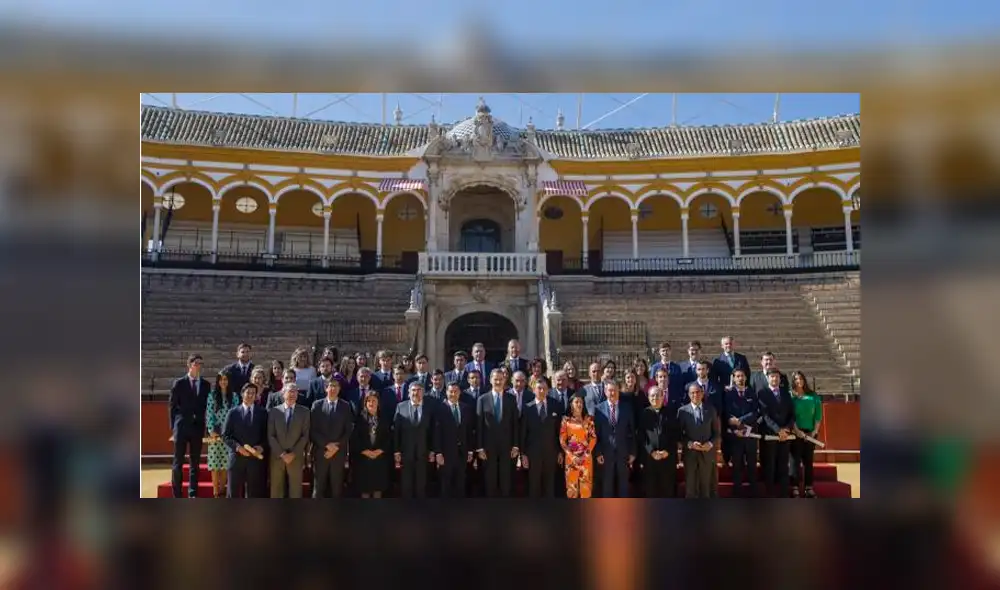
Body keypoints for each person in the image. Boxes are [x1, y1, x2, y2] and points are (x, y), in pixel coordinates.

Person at [169, 354, 210, 499]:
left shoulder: (206, 385)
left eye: (201, 363)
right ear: (189, 365)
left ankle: (192, 493)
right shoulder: (179, 383)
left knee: (195, 463)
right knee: (178, 462)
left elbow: (207, 407)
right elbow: (172, 407)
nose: (199, 366)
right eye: (196, 363)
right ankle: (177, 494)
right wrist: (173, 427)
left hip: (197, 428)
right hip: (181, 427)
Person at [476, 368, 520, 497]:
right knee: (490, 481)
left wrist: (516, 446)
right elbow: (479, 425)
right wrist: (479, 448)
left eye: (501, 379)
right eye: (495, 379)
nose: (498, 382)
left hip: (507, 447)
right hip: (488, 448)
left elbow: (515, 424)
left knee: (506, 481)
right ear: (490, 380)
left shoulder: (511, 399)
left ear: (505, 380)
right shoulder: (482, 399)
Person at [520, 378, 564, 498]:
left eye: (544, 388)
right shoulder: (527, 408)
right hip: (533, 454)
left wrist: (560, 451)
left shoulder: (555, 405)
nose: (541, 390)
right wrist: (523, 454)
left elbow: (559, 431)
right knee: (534, 487)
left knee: (549, 487)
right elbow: (523, 432)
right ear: (533, 390)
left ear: (548, 390)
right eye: (539, 388)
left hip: (551, 453)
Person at [309, 379, 354, 498]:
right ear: (326, 388)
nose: (333, 389)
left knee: (337, 488)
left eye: (336, 386)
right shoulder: (317, 405)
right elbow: (313, 429)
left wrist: (336, 447)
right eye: (330, 386)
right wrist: (326, 445)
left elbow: (348, 430)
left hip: (338, 454)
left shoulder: (345, 406)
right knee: (318, 487)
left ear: (339, 389)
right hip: (321, 452)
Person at [222, 383, 268, 498]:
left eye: (253, 393)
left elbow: (267, 435)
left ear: (256, 396)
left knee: (254, 492)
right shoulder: (233, 413)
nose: (250, 395)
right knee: (234, 492)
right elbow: (226, 436)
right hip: (237, 458)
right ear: (242, 394)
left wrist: (262, 447)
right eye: (248, 392)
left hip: (255, 460)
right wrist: (237, 447)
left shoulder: (263, 413)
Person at [267, 382, 311, 498]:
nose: (292, 394)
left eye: (294, 391)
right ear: (283, 393)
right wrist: (281, 454)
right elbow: (271, 435)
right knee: (276, 490)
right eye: (289, 391)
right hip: (277, 456)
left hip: (295, 457)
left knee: (295, 490)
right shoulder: (274, 411)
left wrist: (293, 453)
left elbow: (305, 435)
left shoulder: (305, 411)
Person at [758, 368, 795, 498]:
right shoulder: (762, 393)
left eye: (777, 377)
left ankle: (784, 495)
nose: (775, 379)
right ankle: (770, 496)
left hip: (785, 436)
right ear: (768, 378)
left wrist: (787, 429)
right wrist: (778, 430)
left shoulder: (786, 393)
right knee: (770, 466)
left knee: (783, 466)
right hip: (770, 435)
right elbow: (765, 415)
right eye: (772, 377)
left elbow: (792, 414)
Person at [594, 381, 636, 498]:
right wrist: (598, 452)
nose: (612, 393)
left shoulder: (627, 408)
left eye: (615, 390)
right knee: (607, 487)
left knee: (623, 486)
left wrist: (633, 452)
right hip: (606, 454)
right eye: (610, 390)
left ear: (619, 391)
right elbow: (596, 433)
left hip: (623, 453)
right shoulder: (598, 409)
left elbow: (632, 431)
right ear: (605, 392)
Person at [394, 382, 435, 498]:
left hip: (423, 453)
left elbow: (433, 431)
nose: (416, 393)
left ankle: (420, 512)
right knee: (406, 486)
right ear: (408, 392)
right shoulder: (400, 407)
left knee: (421, 486)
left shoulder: (429, 408)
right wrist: (396, 451)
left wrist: (432, 450)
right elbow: (397, 431)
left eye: (419, 390)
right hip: (406, 454)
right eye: (413, 390)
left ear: (423, 392)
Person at [678, 383, 719, 498]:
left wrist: (710, 444)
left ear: (702, 394)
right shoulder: (682, 411)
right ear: (689, 395)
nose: (695, 395)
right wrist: (689, 443)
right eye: (692, 393)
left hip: (707, 454)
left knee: (706, 487)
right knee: (691, 487)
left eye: (697, 392)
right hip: (690, 454)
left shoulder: (711, 410)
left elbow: (716, 433)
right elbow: (679, 434)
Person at [434, 382, 475, 498]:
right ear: (446, 392)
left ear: (460, 393)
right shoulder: (440, 409)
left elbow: (469, 431)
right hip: (446, 454)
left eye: (455, 391)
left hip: (462, 453)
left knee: (460, 484)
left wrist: (470, 451)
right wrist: (438, 453)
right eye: (450, 391)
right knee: (446, 485)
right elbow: (437, 432)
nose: (453, 394)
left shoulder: (466, 408)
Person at [723, 367, 759, 497]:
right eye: (737, 376)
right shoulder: (728, 394)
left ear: (746, 377)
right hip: (735, 436)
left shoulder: (751, 392)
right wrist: (734, 428)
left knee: (752, 465)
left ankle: (753, 493)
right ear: (733, 378)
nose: (740, 378)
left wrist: (740, 421)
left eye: (742, 376)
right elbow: (726, 413)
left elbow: (756, 411)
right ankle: (737, 494)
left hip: (750, 435)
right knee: (737, 466)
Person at [351, 391, 392, 498]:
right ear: (365, 403)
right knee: (365, 489)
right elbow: (355, 438)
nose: (371, 403)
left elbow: (389, 437)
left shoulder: (384, 418)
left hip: (380, 459)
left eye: (374, 400)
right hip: (363, 459)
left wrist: (379, 451)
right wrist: (365, 451)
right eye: (368, 400)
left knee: (378, 489)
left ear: (378, 403)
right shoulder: (359, 418)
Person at [639, 386, 677, 498]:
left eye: (657, 395)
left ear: (663, 396)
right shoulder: (644, 413)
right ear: (649, 398)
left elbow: (675, 434)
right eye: (652, 395)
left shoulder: (670, 413)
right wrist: (651, 451)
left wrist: (667, 451)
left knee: (667, 491)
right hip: (650, 459)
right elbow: (642, 435)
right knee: (651, 491)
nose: (655, 398)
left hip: (667, 458)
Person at [789, 371, 823, 498]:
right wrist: (797, 431)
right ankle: (795, 487)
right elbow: (790, 416)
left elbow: (818, 415)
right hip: (795, 433)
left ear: (804, 380)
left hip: (810, 433)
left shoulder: (813, 396)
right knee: (795, 461)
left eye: (801, 378)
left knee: (808, 462)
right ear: (793, 381)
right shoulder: (791, 396)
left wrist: (814, 431)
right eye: (796, 379)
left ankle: (809, 488)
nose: (799, 381)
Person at [205, 371, 238, 498]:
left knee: (225, 463)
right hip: (215, 434)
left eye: (225, 379)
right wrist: (211, 429)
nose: (223, 382)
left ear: (229, 381)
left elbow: (235, 414)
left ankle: (223, 490)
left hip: (228, 434)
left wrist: (231, 431)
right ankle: (215, 492)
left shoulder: (234, 396)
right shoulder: (212, 395)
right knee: (214, 464)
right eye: (221, 379)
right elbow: (209, 413)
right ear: (218, 381)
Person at [559, 395, 597, 498]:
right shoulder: (566, 420)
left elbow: (593, 438)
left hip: (586, 459)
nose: (579, 404)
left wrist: (585, 455)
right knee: (572, 491)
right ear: (571, 404)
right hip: (572, 460)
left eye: (581, 402)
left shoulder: (588, 419)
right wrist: (572, 456)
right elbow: (562, 440)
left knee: (586, 491)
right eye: (576, 402)